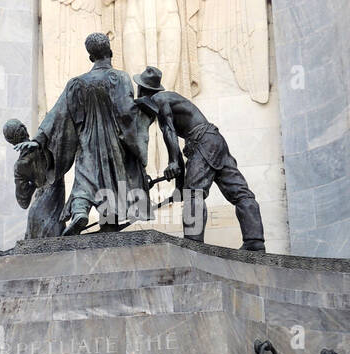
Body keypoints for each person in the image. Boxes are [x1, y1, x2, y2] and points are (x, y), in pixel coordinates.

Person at [26, 33, 148, 235]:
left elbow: (57, 113)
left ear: (90, 57)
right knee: (111, 181)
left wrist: (39, 139)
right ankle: (108, 221)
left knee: (85, 177)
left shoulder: (77, 83)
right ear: (110, 52)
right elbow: (127, 114)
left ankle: (80, 210)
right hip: (113, 144)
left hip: (87, 142)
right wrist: (143, 123)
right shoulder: (120, 78)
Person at [133, 66, 265, 251]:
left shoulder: (159, 99)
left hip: (201, 141)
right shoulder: (169, 98)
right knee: (239, 191)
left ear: (142, 89)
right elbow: (176, 149)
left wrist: (172, 163)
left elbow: (169, 132)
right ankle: (255, 241)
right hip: (215, 139)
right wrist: (179, 185)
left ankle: (193, 244)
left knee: (193, 194)